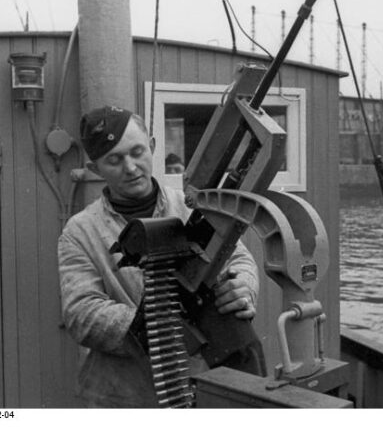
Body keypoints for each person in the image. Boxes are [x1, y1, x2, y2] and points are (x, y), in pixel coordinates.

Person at [58, 105, 263, 408]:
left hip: (199, 386)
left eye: (137, 152)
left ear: (152, 147)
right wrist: (157, 327)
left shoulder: (192, 207)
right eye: (114, 160)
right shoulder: (80, 232)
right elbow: (81, 313)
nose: (131, 167)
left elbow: (239, 260)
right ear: (95, 169)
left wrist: (242, 288)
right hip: (123, 397)